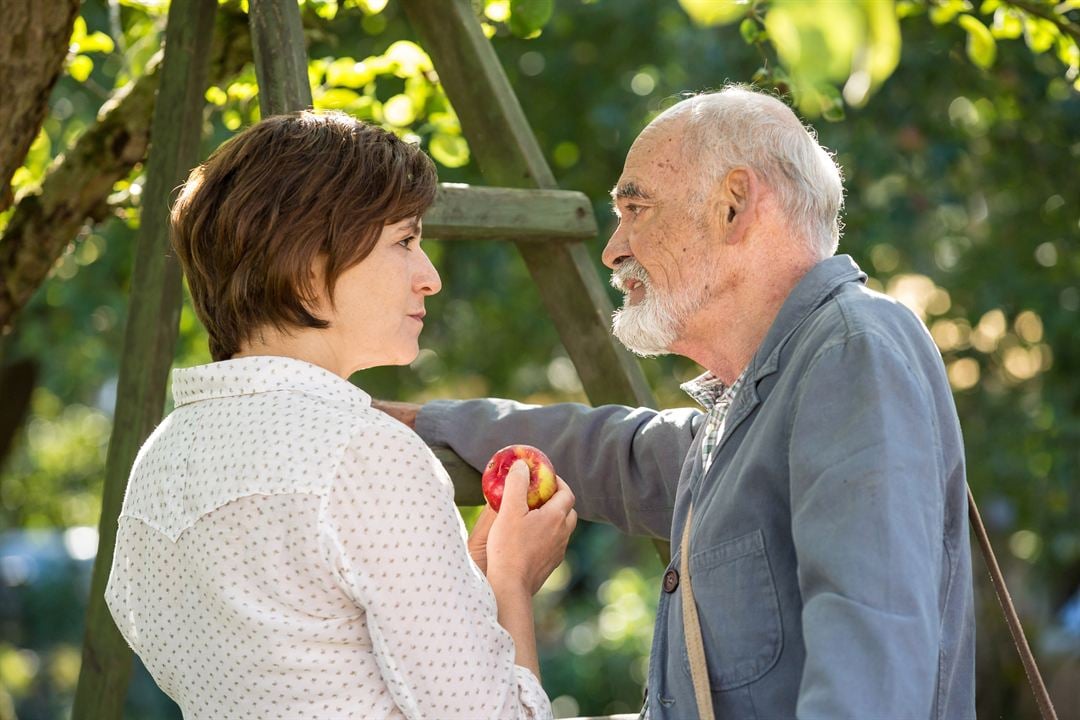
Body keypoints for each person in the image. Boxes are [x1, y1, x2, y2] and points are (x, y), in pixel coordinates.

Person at [378, 85, 975, 719]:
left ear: (734, 206)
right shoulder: (761, 396)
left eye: (636, 207)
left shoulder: (852, 351)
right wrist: (420, 423)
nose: (613, 248)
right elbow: (623, 454)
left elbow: (870, 688)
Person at [105, 110, 577, 719]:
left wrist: (471, 578)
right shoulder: (362, 452)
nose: (429, 277)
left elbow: (309, 657)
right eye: (404, 242)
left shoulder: (161, 460)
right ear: (305, 268)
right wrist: (511, 584)